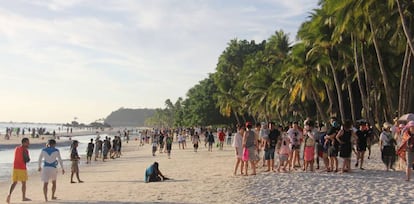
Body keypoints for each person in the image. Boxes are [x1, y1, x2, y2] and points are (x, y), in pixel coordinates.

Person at [6, 138, 31, 204]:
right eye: (27, 142)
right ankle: (23, 197)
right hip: (22, 168)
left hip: (15, 168)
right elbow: (27, 160)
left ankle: (9, 195)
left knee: (14, 182)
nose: (29, 144)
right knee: (24, 183)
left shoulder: (17, 148)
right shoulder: (25, 150)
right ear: (24, 143)